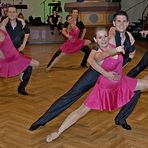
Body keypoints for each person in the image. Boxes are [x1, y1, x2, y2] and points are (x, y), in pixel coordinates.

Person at [29, 11, 138, 131]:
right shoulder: (108, 36)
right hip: (95, 73)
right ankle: (43, 120)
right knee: (71, 94)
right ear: (114, 23)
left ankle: (121, 119)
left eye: (124, 21)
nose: (121, 24)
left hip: (111, 77)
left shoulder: (129, 38)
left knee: (134, 90)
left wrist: (121, 66)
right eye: (118, 21)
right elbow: (91, 60)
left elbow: (132, 53)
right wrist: (105, 73)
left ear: (127, 23)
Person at [46, 27, 148, 142]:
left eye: (105, 36)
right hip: (104, 89)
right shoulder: (98, 54)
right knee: (81, 111)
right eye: (100, 37)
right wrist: (115, 51)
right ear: (95, 40)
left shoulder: (113, 44)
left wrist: (132, 33)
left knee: (145, 85)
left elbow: (115, 30)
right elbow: (102, 56)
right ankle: (58, 132)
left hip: (120, 82)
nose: (103, 40)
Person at [2, 6, 32, 95]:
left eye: (13, 12)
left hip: (17, 52)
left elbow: (27, 32)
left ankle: (21, 88)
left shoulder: (21, 22)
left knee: (29, 68)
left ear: (16, 13)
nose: (11, 13)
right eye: (9, 12)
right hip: (5, 54)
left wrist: (23, 44)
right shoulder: (4, 23)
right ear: (7, 13)